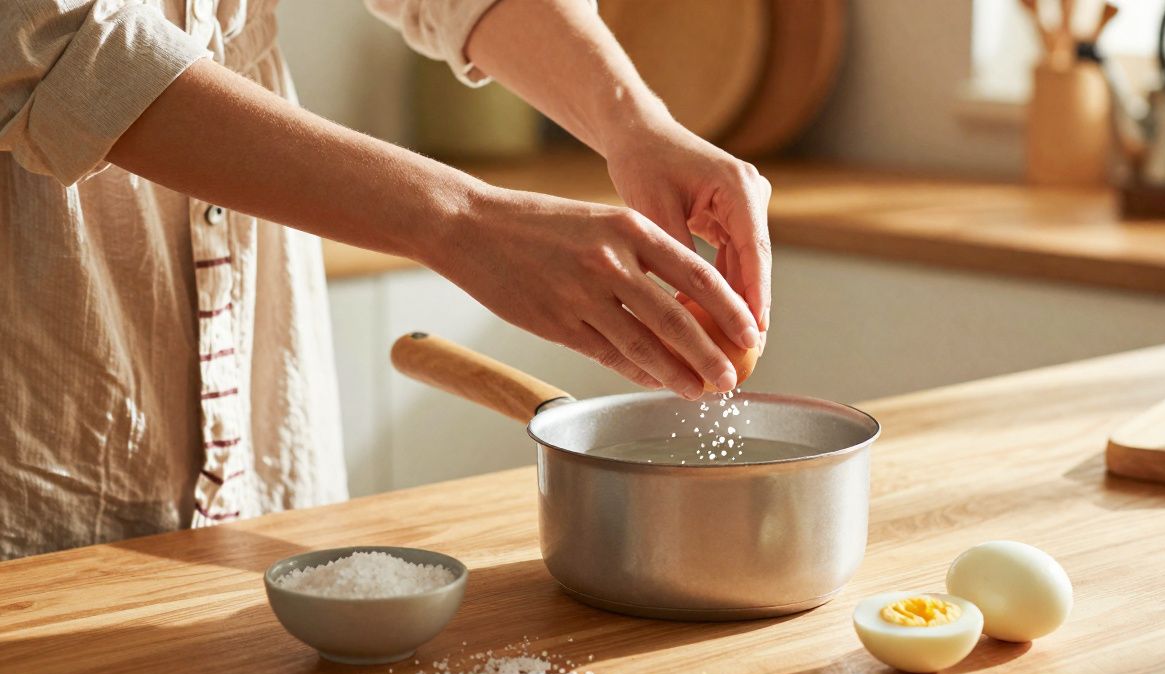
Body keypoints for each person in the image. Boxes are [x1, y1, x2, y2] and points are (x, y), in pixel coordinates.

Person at [0, 0, 772, 559]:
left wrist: (634, 122)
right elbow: (50, 42)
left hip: (252, 323)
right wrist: (463, 222)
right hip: (45, 329)